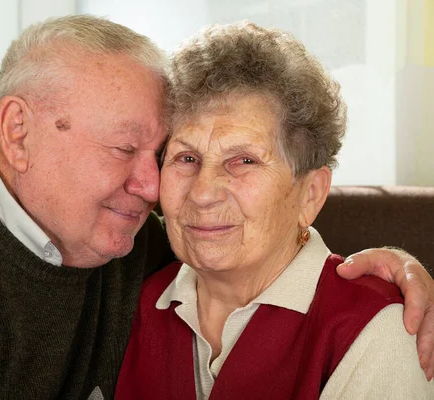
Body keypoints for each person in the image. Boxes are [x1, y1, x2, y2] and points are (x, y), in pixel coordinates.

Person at [0, 15, 432, 399]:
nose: (158, 190)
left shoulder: (129, 243)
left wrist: (396, 269)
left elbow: (261, 249)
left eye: (159, 153)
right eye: (180, 157)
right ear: (18, 132)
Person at [115, 22, 434, 399]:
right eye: (186, 158)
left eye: (244, 160)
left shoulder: (374, 326)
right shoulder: (130, 297)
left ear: (310, 194)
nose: (202, 194)